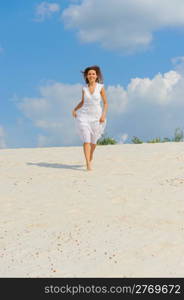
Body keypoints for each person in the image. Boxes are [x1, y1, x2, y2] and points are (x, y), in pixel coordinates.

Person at [72, 65, 108, 171]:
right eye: (89, 74)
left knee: (93, 142)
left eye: (93, 74)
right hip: (84, 117)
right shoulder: (84, 89)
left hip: (97, 117)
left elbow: (105, 103)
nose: (91, 75)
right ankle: (88, 163)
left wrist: (103, 115)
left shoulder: (100, 87)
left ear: (96, 76)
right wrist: (74, 109)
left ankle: (90, 155)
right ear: (86, 77)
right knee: (86, 140)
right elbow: (83, 102)